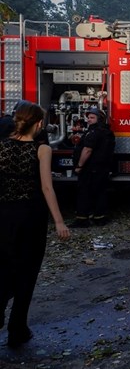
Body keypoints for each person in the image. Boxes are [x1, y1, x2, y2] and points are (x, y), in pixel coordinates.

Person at [0, 102, 70, 349]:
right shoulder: (41, 149)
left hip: (4, 215)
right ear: (39, 124)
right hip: (31, 216)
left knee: (4, 267)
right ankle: (17, 329)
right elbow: (47, 187)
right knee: (27, 272)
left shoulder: (2, 146)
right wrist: (59, 221)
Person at [70, 108, 115, 228]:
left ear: (99, 119)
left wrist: (79, 166)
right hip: (101, 168)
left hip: (90, 168)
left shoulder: (94, 133)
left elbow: (87, 150)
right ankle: (99, 218)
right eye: (88, 117)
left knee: (84, 192)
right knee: (100, 192)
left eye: (92, 118)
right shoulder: (107, 132)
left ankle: (82, 219)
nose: (88, 120)